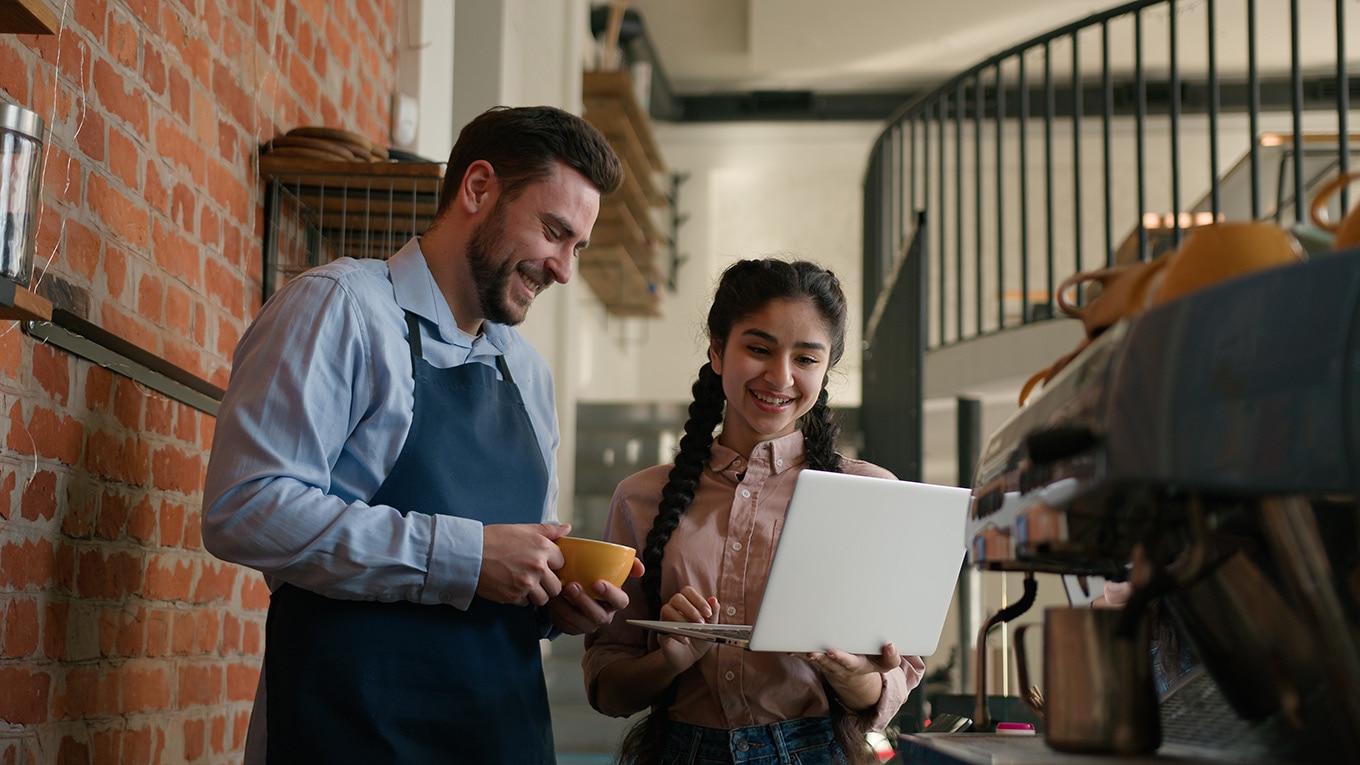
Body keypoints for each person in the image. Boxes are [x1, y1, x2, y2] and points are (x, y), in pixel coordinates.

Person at [201, 105, 639, 764]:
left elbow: (517, 561)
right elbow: (245, 508)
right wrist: (465, 556)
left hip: (504, 739)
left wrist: (557, 599)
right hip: (348, 735)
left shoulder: (528, 373)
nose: (564, 269)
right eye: (554, 232)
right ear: (478, 187)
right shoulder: (339, 307)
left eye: (577, 246)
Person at [582, 259, 927, 765]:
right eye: (759, 349)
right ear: (718, 351)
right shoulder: (641, 499)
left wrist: (854, 678)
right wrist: (669, 659)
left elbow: (893, 682)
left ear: (826, 368)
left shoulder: (871, 495)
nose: (780, 376)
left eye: (806, 359)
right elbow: (608, 686)